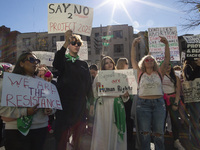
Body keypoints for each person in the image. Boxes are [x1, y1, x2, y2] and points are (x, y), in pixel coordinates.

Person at [0, 52, 55, 150]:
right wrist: (25, 112)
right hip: (15, 131)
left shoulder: (43, 84)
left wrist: (50, 109)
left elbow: (53, 104)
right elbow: (3, 110)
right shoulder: (10, 83)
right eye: (31, 60)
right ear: (21, 63)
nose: (35, 63)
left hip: (40, 129)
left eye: (37, 61)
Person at [53, 30, 94, 150]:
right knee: (61, 137)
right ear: (69, 45)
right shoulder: (63, 60)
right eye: (73, 43)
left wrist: (90, 103)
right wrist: (66, 42)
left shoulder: (83, 64)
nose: (76, 45)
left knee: (78, 137)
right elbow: (56, 63)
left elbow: (88, 85)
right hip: (64, 105)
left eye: (78, 44)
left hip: (79, 106)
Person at [131, 36, 170, 150]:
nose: (149, 61)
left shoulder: (159, 72)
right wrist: (133, 45)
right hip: (143, 105)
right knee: (145, 134)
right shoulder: (139, 73)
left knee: (159, 133)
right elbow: (133, 59)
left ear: (154, 62)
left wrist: (166, 44)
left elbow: (167, 59)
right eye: (147, 59)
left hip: (158, 104)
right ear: (143, 62)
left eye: (151, 59)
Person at [90, 56, 127, 150]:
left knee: (115, 129)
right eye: (106, 63)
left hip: (116, 105)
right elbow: (95, 94)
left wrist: (126, 94)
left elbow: (124, 93)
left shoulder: (119, 76)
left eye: (110, 62)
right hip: (103, 106)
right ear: (103, 66)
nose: (109, 64)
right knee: (103, 129)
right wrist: (97, 88)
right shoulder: (99, 76)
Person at [162, 62, 185, 150]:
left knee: (175, 121)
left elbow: (178, 91)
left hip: (172, 99)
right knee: (161, 122)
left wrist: (176, 102)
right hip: (162, 100)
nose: (167, 67)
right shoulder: (160, 76)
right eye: (165, 65)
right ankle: (160, 141)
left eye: (169, 65)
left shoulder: (176, 78)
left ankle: (176, 141)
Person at [116, 58, 135, 150]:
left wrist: (129, 92)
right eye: (126, 63)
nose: (127, 64)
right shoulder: (114, 74)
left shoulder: (130, 74)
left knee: (128, 120)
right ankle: (124, 140)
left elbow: (133, 87)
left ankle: (128, 140)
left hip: (127, 99)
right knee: (123, 120)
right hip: (119, 100)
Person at [182, 58, 200, 149]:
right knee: (195, 121)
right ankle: (195, 143)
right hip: (195, 99)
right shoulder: (188, 67)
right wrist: (198, 66)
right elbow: (191, 78)